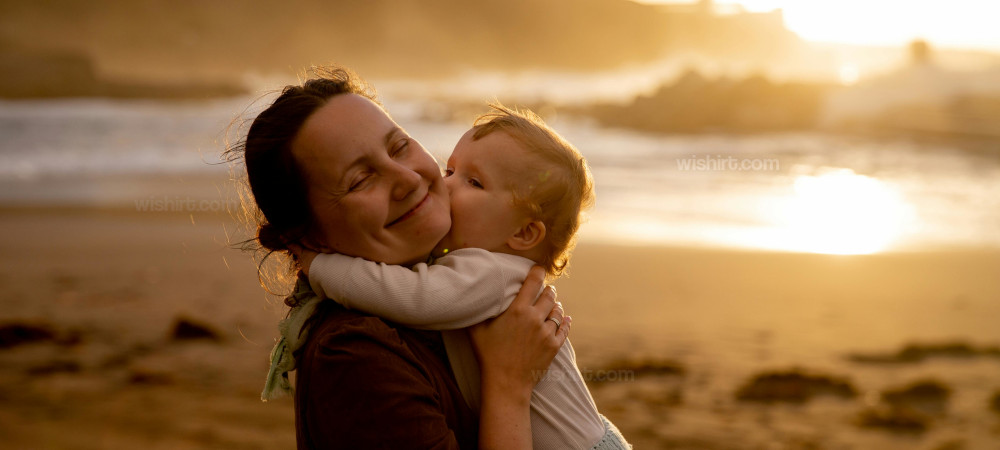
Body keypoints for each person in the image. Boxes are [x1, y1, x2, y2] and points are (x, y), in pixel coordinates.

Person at [229, 66, 568, 449]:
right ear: (305, 237)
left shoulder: (451, 295)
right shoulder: (356, 357)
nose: (407, 179)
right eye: (360, 180)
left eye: (399, 147)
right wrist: (509, 386)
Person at [294, 105, 630, 449]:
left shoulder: (492, 274)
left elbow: (412, 297)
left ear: (524, 233)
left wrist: (320, 266)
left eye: (474, 182)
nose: (444, 183)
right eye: (450, 169)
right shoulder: (491, 271)